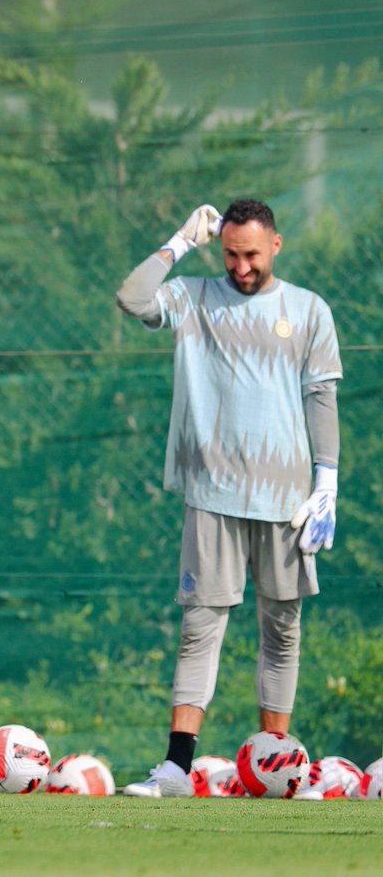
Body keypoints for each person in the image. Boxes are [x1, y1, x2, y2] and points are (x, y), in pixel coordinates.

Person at [115, 198, 342, 797]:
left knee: (283, 629)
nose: (241, 267)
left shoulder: (309, 310)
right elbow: (133, 298)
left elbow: (321, 398)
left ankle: (277, 765)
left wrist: (327, 483)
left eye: (252, 255)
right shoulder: (193, 298)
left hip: (287, 501)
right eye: (231, 254)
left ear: (276, 246)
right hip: (212, 494)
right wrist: (180, 241)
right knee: (200, 627)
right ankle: (176, 769)